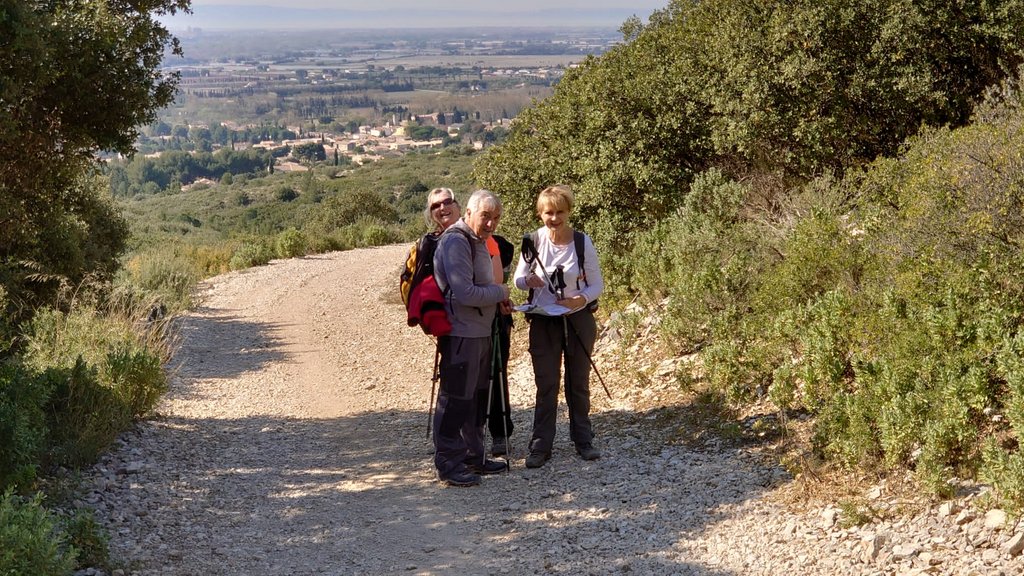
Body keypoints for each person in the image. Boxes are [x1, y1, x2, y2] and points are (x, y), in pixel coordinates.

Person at [513, 184, 604, 468]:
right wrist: (528, 281)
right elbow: (517, 280)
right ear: (540, 214)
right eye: (549, 213)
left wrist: (580, 299)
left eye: (560, 212)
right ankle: (541, 446)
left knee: (578, 381)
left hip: (578, 319)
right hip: (543, 320)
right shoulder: (534, 241)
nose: (554, 218)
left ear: (569, 212)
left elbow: (597, 284)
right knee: (546, 384)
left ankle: (583, 440)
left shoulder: (581, 242)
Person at [432, 189, 512, 486]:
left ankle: (472, 457)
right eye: (485, 216)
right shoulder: (456, 240)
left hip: (479, 331)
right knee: (456, 399)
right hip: (461, 333)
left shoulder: (477, 240)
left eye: (496, 218)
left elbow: (479, 288)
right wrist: (500, 293)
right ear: (468, 213)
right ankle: (449, 464)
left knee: (475, 399)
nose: (491, 223)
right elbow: (465, 293)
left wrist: (496, 301)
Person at [486, 233, 515, 456]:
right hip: (461, 320)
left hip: (495, 317)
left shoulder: (496, 243)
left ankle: (500, 433)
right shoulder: (446, 242)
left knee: (497, 373)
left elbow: (507, 252)